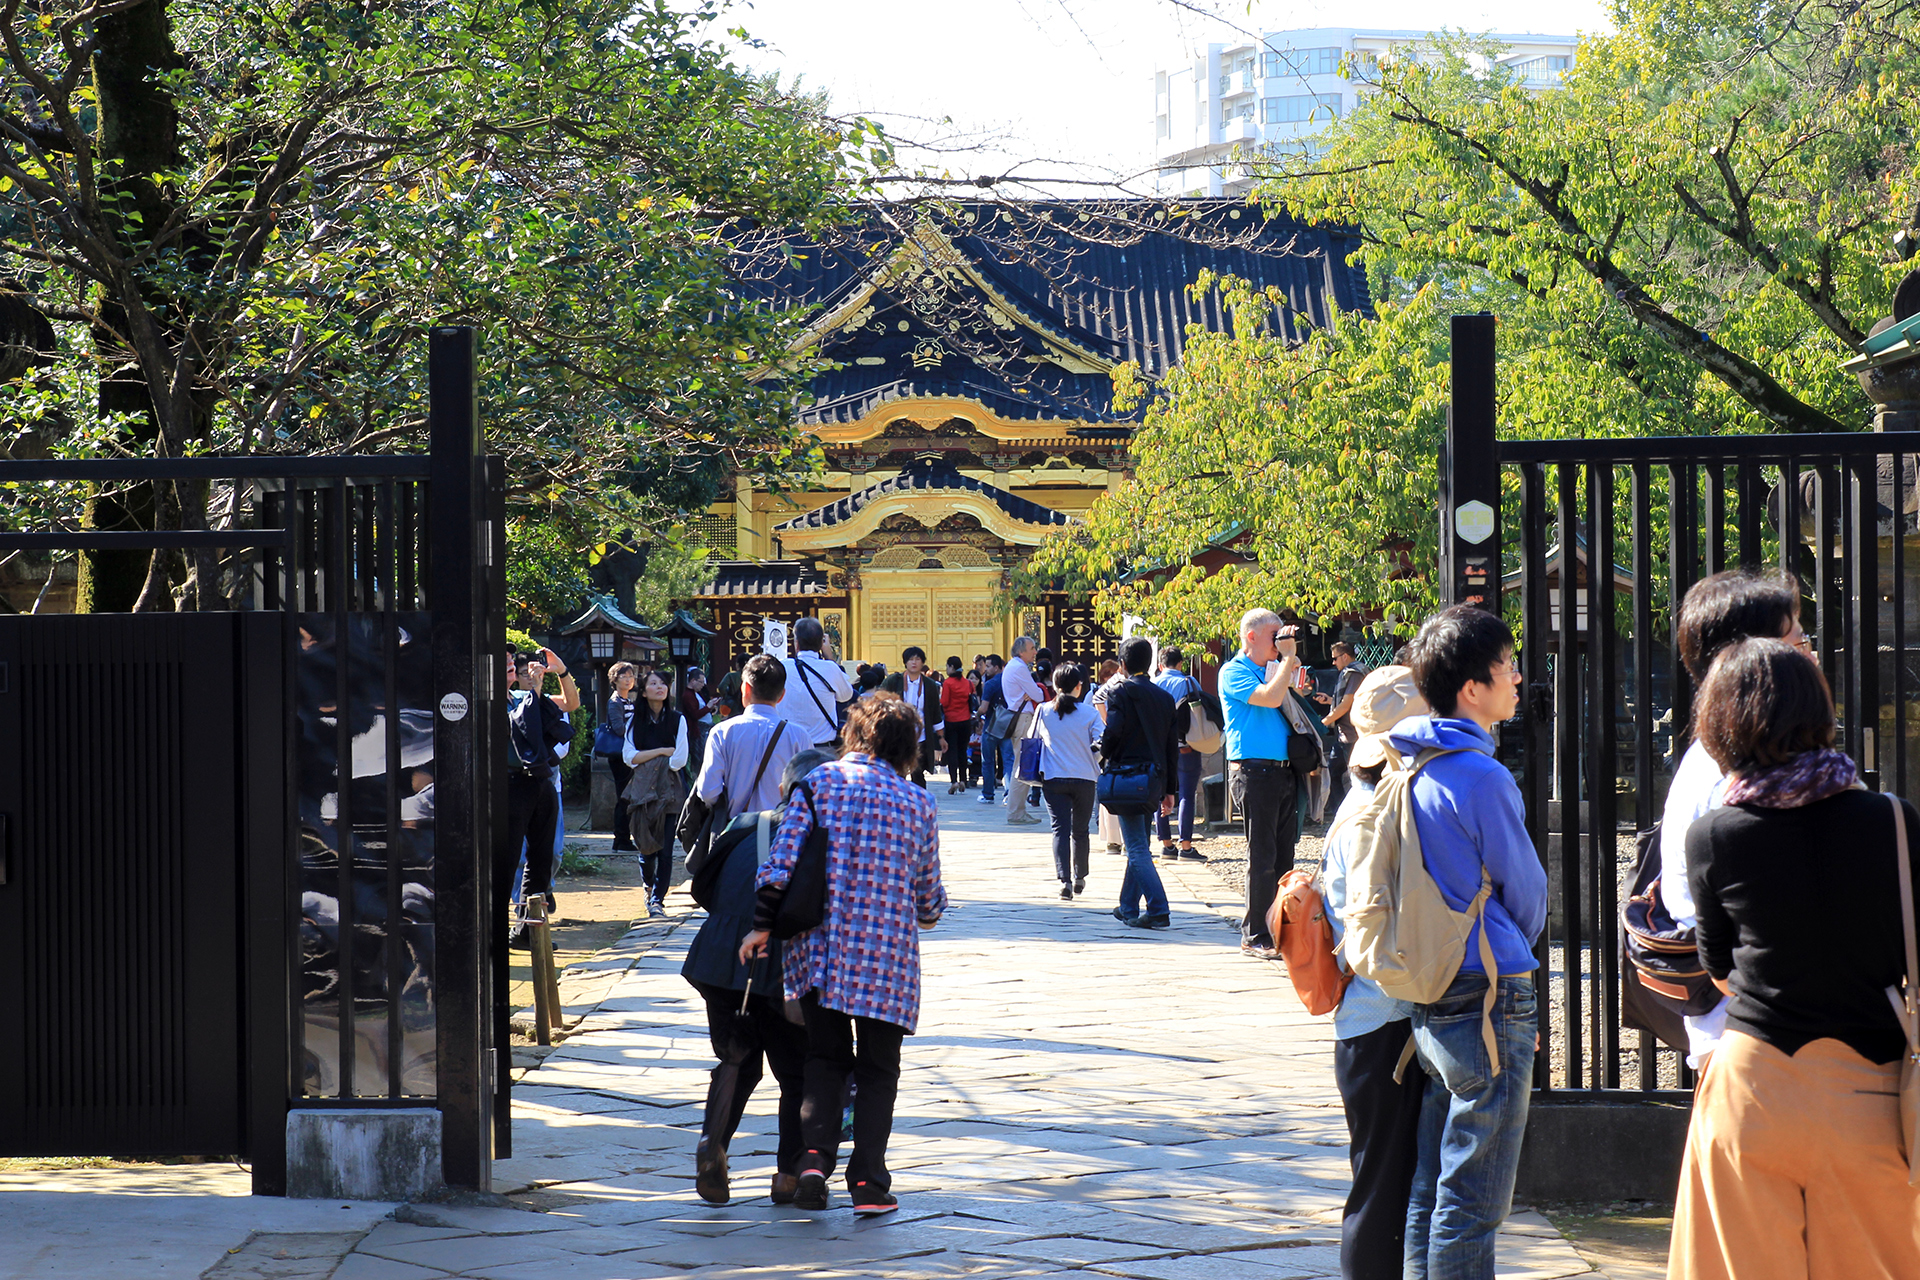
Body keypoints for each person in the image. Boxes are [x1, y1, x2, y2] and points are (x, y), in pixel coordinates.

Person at [1668, 637, 1920, 1280]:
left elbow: (1719, 967)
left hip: (1752, 1086)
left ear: (1721, 724)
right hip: (1872, 1088)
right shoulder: (1892, 821)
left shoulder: (1715, 835)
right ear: (1820, 711)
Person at [739, 695, 947, 1215]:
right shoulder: (918, 803)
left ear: (854, 733)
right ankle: (869, 1185)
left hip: (820, 951)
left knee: (824, 1059)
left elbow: (780, 866)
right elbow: (928, 901)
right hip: (888, 958)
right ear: (907, 748)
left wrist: (762, 928)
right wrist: (925, 907)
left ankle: (812, 1161)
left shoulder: (819, 785)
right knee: (879, 1070)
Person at [1390, 605, 1545, 1280]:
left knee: (1433, 1180)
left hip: (1434, 978)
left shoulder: (1409, 763)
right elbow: (1528, 892)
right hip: (1490, 985)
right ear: (1472, 689)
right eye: (1506, 666)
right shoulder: (1481, 776)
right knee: (1476, 1194)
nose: (1517, 678)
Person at [1659, 569, 1806, 1069]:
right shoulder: (1729, 777)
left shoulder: (1735, 761)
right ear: (1751, 661)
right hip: (1752, 1042)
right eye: (1795, 641)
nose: (1808, 654)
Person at [683, 747, 833, 1206]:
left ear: (784, 788)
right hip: (784, 964)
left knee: (735, 1058)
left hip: (721, 956)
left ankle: (714, 1144)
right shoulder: (826, 837)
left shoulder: (747, 824)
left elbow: (700, 884)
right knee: (796, 1074)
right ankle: (788, 1175)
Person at [1321, 666, 1430, 1280]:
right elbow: (1368, 940)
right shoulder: (1373, 814)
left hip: (1373, 1021)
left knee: (1385, 1182)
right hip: (1384, 1021)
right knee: (1382, 1190)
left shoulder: (1364, 801)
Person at [1219, 609, 1304, 958]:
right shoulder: (1233, 671)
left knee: (1285, 855)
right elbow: (1269, 698)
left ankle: (1279, 928)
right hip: (1254, 772)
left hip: (1284, 770)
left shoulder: (1275, 668)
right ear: (1251, 636)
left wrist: (1291, 668)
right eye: (1274, 635)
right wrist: (1288, 660)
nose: (1281, 641)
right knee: (1262, 855)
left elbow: (1292, 700)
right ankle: (1255, 934)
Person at [1100, 637, 1183, 930]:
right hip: (1155, 777)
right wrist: (1170, 789)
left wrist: (1104, 752)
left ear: (1121, 665)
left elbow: (1114, 732)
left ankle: (1158, 908)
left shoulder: (1120, 693)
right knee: (1139, 842)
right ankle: (1127, 905)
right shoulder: (1163, 697)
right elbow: (1171, 746)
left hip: (1128, 776)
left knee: (1135, 847)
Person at [503, 647, 579, 930]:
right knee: (509, 857)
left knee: (542, 859)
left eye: (511, 659)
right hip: (509, 784)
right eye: (505, 659)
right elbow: (517, 728)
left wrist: (562, 671)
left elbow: (570, 704)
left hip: (540, 782)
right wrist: (534, 692)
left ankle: (528, 928)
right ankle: (495, 930)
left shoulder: (524, 696)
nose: (510, 662)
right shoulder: (486, 699)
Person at [693, 655, 808, 829]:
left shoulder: (722, 732)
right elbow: (808, 792)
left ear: (745, 688)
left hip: (737, 831)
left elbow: (708, 791)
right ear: (782, 695)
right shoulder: (799, 735)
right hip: (783, 833)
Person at [1034, 663, 1103, 899]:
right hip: (1084, 778)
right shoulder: (1090, 713)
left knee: (1059, 829)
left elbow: (1032, 740)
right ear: (1078, 686)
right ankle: (1080, 876)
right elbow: (1101, 745)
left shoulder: (1043, 711)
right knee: (1081, 830)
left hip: (1054, 777)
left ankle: (1064, 880)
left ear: (1054, 685)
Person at [623, 669, 690, 913]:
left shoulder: (677, 719)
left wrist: (647, 758)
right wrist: (662, 751)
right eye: (654, 683)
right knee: (645, 844)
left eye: (663, 683)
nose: (660, 687)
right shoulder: (634, 720)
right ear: (643, 691)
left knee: (665, 847)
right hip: (641, 788)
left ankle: (657, 900)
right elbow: (629, 757)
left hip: (670, 788)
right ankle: (648, 884)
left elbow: (679, 760)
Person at [1153, 647, 1206, 863]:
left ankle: (1166, 844)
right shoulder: (1189, 682)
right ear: (1181, 664)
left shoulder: (1153, 684)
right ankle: (1186, 846)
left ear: (1160, 665)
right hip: (1186, 745)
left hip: (1159, 747)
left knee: (1159, 793)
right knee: (1186, 793)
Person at [1315, 642, 1369, 811]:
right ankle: (1342, 811)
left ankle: (1351, 812)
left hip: (1353, 735)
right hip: (1344, 735)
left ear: (1345, 656)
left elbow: (1346, 705)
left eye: (1335, 658)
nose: (1333, 663)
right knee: (1334, 773)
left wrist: (1321, 723)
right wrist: (1331, 701)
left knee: (1357, 778)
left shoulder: (1354, 672)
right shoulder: (1351, 672)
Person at [1001, 637, 1048, 826]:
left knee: (1019, 764)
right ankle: (1015, 812)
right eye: (1032, 648)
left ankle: (1017, 810)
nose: (1035, 652)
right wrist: (1034, 691)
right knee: (1022, 765)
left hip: (1019, 717)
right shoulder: (1019, 668)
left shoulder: (1013, 666)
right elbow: (1038, 694)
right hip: (1023, 719)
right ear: (1021, 651)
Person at [787, 617, 854, 750]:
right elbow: (846, 696)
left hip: (789, 748)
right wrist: (830, 657)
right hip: (822, 748)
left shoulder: (782, 667)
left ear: (796, 643)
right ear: (821, 644)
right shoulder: (830, 668)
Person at [1089, 658, 1127, 856]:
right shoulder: (1118, 680)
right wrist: (1108, 722)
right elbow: (1098, 698)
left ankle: (1122, 840)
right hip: (1119, 739)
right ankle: (1115, 840)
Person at [604, 662, 640, 860]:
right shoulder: (615, 701)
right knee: (624, 797)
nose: (628, 679)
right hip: (619, 756)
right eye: (624, 676)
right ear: (615, 679)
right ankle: (621, 839)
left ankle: (623, 840)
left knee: (627, 797)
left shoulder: (628, 701)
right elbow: (618, 728)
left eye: (630, 676)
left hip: (628, 753)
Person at [898, 647, 945, 788]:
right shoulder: (896, 681)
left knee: (917, 772)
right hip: (899, 734)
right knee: (898, 771)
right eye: (910, 659)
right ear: (905, 662)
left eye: (917, 659)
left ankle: (920, 803)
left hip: (921, 735)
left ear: (922, 663)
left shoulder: (929, 685)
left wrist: (941, 737)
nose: (914, 663)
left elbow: (935, 712)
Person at [941, 656, 974, 794]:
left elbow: (945, 702)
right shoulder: (968, 683)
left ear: (952, 667)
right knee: (962, 750)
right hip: (965, 720)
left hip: (951, 720)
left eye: (947, 666)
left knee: (952, 751)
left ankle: (954, 780)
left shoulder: (948, 683)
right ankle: (963, 779)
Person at [977, 655, 1007, 805]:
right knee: (1008, 761)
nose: (986, 669)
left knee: (988, 761)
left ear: (996, 667)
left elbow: (983, 708)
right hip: (1008, 725)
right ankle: (1009, 794)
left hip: (991, 725)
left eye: (988, 666)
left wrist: (977, 715)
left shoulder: (990, 684)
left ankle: (988, 794)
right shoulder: (1009, 681)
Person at [679, 666, 711, 776]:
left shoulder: (697, 693)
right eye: (700, 682)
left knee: (702, 754)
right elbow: (694, 714)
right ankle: (697, 776)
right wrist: (708, 707)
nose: (703, 685)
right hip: (695, 729)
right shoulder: (688, 695)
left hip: (702, 728)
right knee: (698, 756)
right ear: (693, 681)